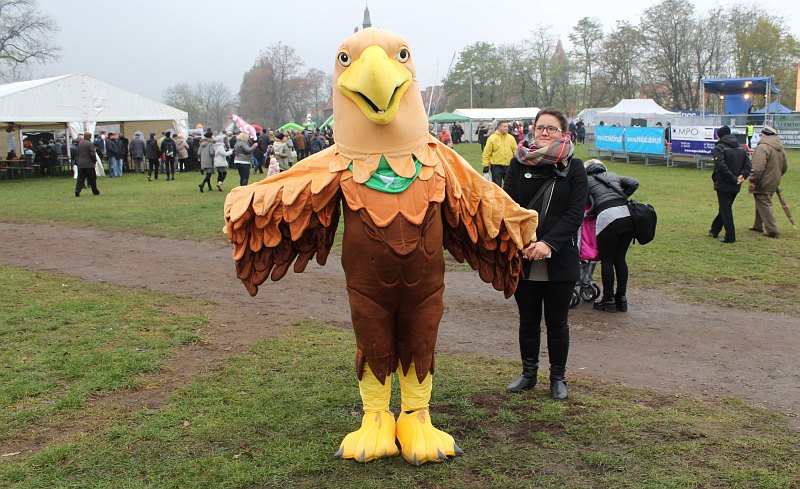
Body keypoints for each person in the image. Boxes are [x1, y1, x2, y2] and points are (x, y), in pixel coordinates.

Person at [502, 107, 588, 400]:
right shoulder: (518, 163)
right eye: (540, 127)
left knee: (557, 322)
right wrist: (526, 242)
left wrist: (548, 244)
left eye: (551, 128)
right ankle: (528, 373)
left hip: (559, 257)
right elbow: (510, 207)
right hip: (523, 255)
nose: (544, 133)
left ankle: (558, 377)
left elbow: (575, 213)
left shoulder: (574, 167)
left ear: (564, 134)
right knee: (527, 320)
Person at [584, 159, 639, 312]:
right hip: (628, 216)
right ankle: (621, 298)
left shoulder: (586, 181)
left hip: (608, 217)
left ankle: (608, 300)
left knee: (607, 260)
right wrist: (622, 196)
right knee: (620, 258)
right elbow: (634, 182)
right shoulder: (614, 175)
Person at [708, 125, 751, 244]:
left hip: (724, 182)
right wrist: (743, 175)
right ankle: (715, 229)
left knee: (725, 209)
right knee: (725, 207)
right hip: (737, 182)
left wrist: (733, 178)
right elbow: (748, 164)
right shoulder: (741, 148)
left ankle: (730, 236)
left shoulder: (720, 148)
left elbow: (721, 166)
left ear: (719, 136)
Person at [748, 125, 788, 238]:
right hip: (774, 180)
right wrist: (776, 176)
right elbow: (785, 167)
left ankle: (772, 229)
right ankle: (758, 225)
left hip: (763, 180)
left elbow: (757, 167)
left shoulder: (762, 147)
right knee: (761, 200)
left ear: (764, 135)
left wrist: (753, 179)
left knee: (763, 201)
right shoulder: (780, 148)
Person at [481, 121, 518, 186]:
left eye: (507, 126)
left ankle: (508, 196)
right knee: (497, 186)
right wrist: (485, 166)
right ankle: (497, 196)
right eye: (504, 126)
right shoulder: (492, 138)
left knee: (510, 185)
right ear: (499, 127)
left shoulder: (511, 138)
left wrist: (517, 162)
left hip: (509, 166)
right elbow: (486, 153)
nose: (507, 128)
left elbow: (515, 151)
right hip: (496, 167)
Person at [74, 132, 101, 197]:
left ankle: (77, 190)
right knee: (92, 179)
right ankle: (95, 191)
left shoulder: (80, 143)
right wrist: (94, 160)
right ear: (90, 137)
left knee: (80, 179)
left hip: (81, 164)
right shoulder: (90, 144)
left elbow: (77, 153)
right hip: (89, 164)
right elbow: (92, 153)